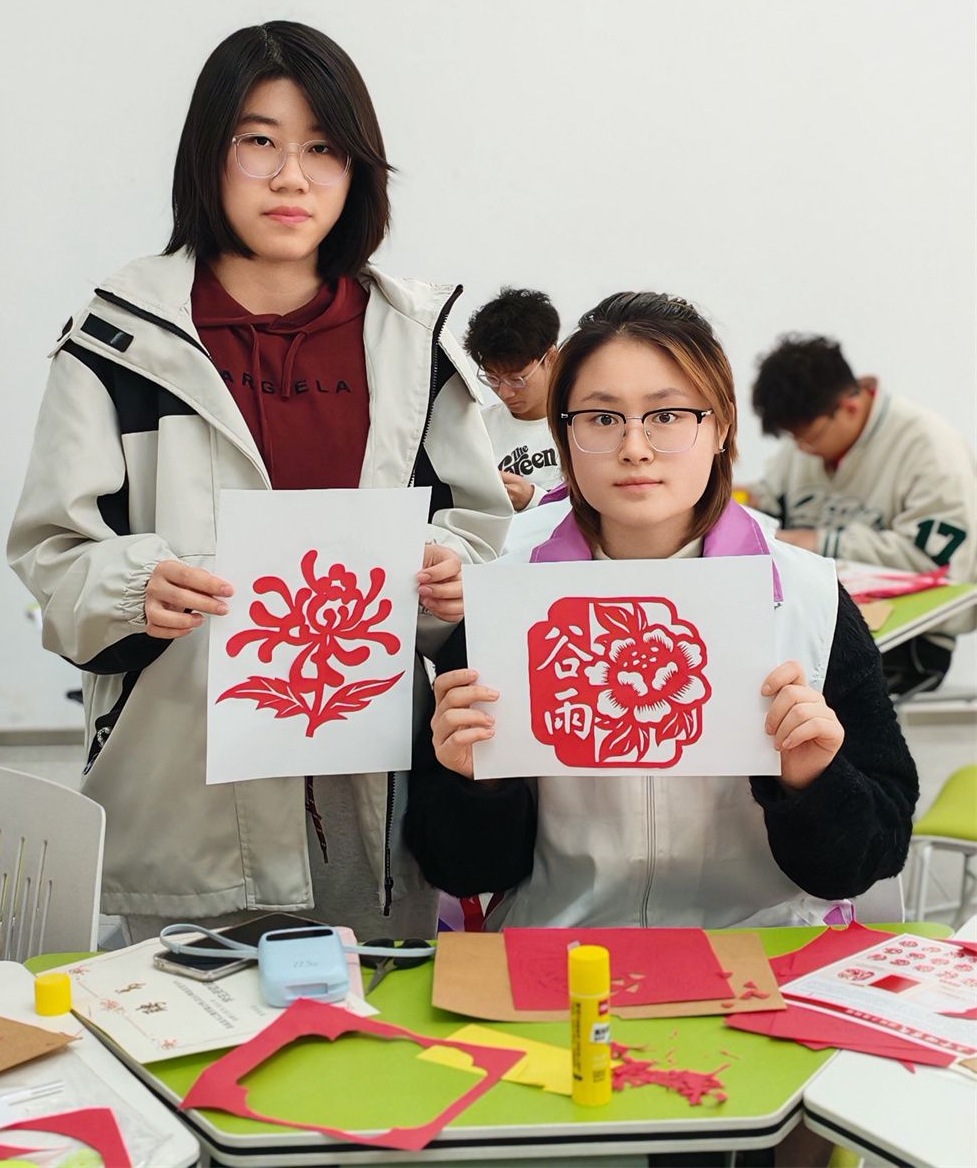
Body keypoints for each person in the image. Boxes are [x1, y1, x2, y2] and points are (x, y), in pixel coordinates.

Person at [8, 21, 510, 944]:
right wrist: (133, 586)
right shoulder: (118, 340)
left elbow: (480, 537)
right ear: (209, 154)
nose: (292, 177)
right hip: (188, 795)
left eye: (323, 149)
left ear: (357, 170)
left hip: (372, 801)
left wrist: (448, 571)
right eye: (259, 141)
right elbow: (51, 553)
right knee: (183, 1029)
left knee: (373, 1028)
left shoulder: (415, 343)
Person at [405, 292, 918, 930]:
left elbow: (874, 854)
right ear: (564, 434)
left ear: (720, 426)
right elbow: (461, 869)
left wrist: (813, 783)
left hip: (761, 951)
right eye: (601, 418)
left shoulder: (808, 598)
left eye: (668, 415)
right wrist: (474, 785)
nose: (635, 448)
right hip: (560, 949)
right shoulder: (505, 598)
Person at [750, 335, 977, 696]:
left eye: (810, 437)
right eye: (794, 439)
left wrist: (820, 542)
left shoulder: (929, 447)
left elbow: (941, 564)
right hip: (814, 621)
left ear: (850, 406)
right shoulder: (804, 445)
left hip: (909, 641)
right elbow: (769, 507)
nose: (803, 449)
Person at [463, 287, 562, 511]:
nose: (505, 392)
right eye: (493, 378)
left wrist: (533, 499)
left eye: (517, 379)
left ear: (551, 358)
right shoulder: (477, 430)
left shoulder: (581, 424)